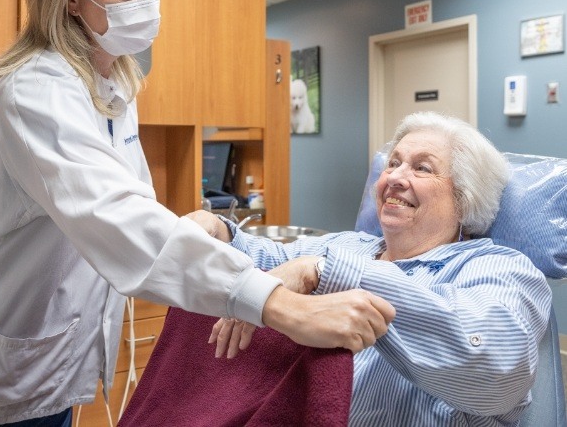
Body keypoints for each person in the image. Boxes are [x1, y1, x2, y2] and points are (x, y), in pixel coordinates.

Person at [0, 0, 395, 427]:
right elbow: (117, 218)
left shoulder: (114, 85)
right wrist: (282, 305)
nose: (146, 5)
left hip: (42, 360)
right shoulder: (34, 92)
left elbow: (128, 207)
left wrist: (197, 226)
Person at [187, 111, 552, 426]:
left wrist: (321, 271)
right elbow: (264, 258)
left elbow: (494, 367)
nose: (394, 177)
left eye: (422, 168)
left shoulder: (501, 269)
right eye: (393, 163)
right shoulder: (349, 246)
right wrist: (220, 232)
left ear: (464, 197)